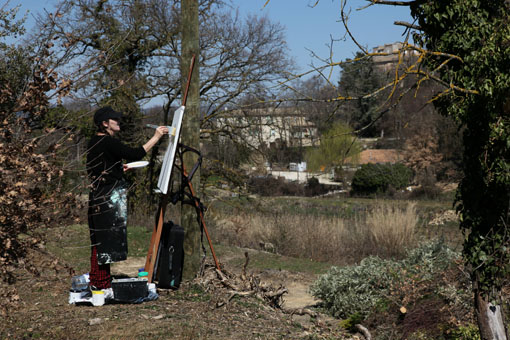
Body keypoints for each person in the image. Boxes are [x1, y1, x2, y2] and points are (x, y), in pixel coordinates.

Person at [86, 106, 168, 293]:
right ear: (105, 124)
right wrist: (156, 137)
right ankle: (100, 283)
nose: (119, 122)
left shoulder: (95, 141)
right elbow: (136, 154)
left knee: (100, 241)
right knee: (105, 242)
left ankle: (100, 280)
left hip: (98, 196)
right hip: (107, 198)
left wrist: (116, 169)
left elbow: (97, 167)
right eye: (115, 119)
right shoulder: (108, 141)